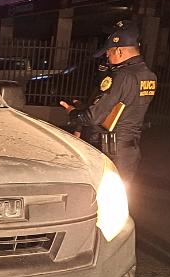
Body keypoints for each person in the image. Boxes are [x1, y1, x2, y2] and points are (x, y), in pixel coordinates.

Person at [60, 20, 157, 183]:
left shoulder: (122, 76)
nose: (107, 55)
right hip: (129, 151)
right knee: (117, 199)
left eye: (109, 52)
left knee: (102, 200)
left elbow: (93, 117)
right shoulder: (149, 75)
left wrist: (73, 113)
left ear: (119, 51)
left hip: (109, 150)